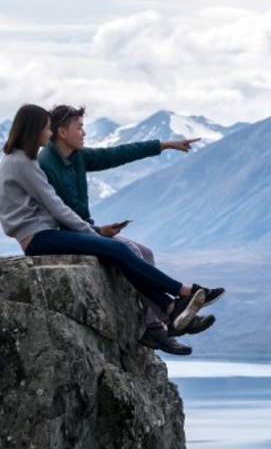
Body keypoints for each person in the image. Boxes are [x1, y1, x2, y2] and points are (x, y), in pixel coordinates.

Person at [0, 103, 221, 356]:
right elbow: (57, 207)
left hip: (44, 233)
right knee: (119, 250)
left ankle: (172, 309)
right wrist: (93, 233)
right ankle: (183, 292)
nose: (48, 133)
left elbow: (116, 154)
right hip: (39, 237)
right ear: (35, 129)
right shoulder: (26, 162)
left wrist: (164, 145)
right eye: (46, 128)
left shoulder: (22, 159)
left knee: (124, 251)